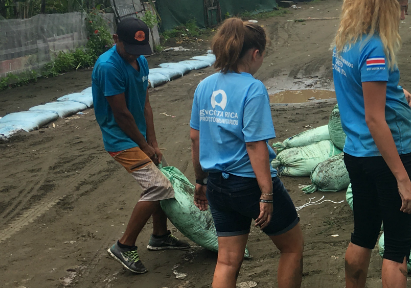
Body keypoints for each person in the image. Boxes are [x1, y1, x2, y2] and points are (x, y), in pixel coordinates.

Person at [190, 18, 304, 288]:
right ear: (255, 54)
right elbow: (255, 146)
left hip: (217, 183)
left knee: (228, 260)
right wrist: (266, 194)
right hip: (250, 184)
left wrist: (201, 180)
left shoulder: (204, 86)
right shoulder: (253, 89)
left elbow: (195, 138)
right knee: (292, 247)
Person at [332, 0, 411, 288]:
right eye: (400, 7)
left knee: (363, 235)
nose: (403, 15)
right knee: (397, 249)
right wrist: (402, 178)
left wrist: (398, 92)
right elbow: (374, 118)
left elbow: (361, 89)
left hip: (356, 155)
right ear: (384, 4)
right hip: (385, 157)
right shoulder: (375, 48)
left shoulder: (346, 39)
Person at [93, 17, 189, 275]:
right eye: (130, 49)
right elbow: (121, 113)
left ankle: (159, 236)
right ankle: (124, 245)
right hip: (120, 139)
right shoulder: (108, 67)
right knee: (158, 185)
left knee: (161, 177)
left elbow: (145, 104)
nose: (135, 55)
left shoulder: (141, 61)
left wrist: (154, 143)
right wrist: (143, 145)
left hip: (139, 137)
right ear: (116, 40)